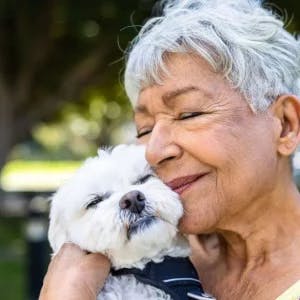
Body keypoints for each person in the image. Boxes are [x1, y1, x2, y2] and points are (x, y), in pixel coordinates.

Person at [39, 0, 300, 299]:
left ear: (285, 124)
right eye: (145, 129)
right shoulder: (132, 263)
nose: (154, 150)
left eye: (189, 114)